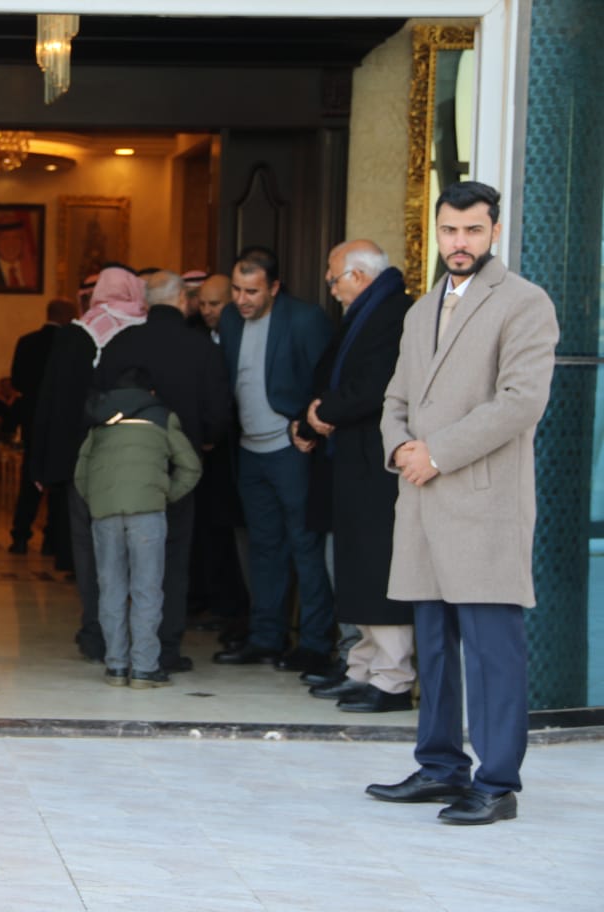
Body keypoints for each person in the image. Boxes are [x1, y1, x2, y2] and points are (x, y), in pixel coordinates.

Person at [368, 181, 558, 825]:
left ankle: (497, 782)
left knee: (492, 651)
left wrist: (438, 452)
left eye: (473, 230)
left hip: (482, 504)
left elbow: (521, 402)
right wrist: (399, 447)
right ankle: (440, 766)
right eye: (450, 229)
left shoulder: (525, 302)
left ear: (494, 232)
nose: (459, 242)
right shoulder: (421, 310)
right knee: (435, 647)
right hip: (422, 501)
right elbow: (396, 398)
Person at [292, 240, 414, 712]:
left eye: (334, 279)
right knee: (356, 569)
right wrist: (311, 416)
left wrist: (323, 413)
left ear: (358, 277)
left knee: (376, 569)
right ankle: (363, 669)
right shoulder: (369, 311)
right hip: (352, 461)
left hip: (377, 465)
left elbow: (375, 385)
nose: (331, 289)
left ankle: (392, 679)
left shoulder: (394, 313)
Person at [213, 247, 335, 675]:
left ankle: (316, 644)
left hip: (291, 450)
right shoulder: (230, 320)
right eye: (236, 289)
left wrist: (306, 427)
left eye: (251, 291)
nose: (241, 299)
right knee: (264, 547)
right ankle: (266, 637)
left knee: (305, 545)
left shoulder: (305, 319)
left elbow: (326, 380)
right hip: (248, 450)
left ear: (275, 287)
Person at [31, 265, 150, 662]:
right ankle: (138, 633)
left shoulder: (75, 336)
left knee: (88, 546)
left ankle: (97, 630)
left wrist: (41, 463)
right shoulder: (145, 331)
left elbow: (50, 401)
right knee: (141, 546)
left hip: (85, 459)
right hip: (138, 458)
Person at [117, 271, 232, 671]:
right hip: (179, 470)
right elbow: (218, 414)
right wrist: (204, 440)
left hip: (127, 470)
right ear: (183, 300)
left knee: (124, 557)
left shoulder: (123, 343)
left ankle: (121, 647)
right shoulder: (201, 347)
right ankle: (164, 648)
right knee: (173, 557)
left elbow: (98, 400)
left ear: (146, 303)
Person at [75, 368, 201, 688]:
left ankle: (116, 666)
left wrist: (99, 499)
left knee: (111, 588)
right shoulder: (162, 417)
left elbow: (80, 474)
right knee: (146, 588)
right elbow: (191, 466)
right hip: (147, 511)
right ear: (151, 392)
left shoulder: (100, 418)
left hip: (105, 512)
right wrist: (165, 494)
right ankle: (144, 668)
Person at [187, 273, 249, 647]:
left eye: (216, 303)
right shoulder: (194, 337)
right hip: (209, 451)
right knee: (210, 529)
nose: (208, 311)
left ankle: (239, 609)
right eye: (204, 304)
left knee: (237, 532)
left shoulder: (245, 336)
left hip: (242, 449)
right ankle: (214, 601)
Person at [8, 298, 76, 555]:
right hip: (61, 419)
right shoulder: (70, 344)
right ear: (67, 316)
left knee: (30, 478)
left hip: (32, 419)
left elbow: (17, 381)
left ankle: (20, 535)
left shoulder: (26, 342)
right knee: (59, 480)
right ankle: (52, 539)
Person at [0, 217, 39, 292]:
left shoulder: (35, 271)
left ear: (23, 241)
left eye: (16, 238)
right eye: (4, 238)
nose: (10, 244)